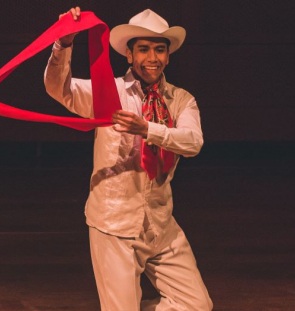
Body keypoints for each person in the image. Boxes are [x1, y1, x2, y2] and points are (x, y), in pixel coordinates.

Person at [45, 7, 212, 311]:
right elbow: (61, 89)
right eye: (144, 49)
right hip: (114, 224)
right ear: (129, 55)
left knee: (196, 305)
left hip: (160, 223)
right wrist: (64, 43)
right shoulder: (111, 93)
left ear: (168, 56)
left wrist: (148, 129)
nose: (153, 58)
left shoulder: (180, 99)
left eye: (160, 50)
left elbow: (193, 142)